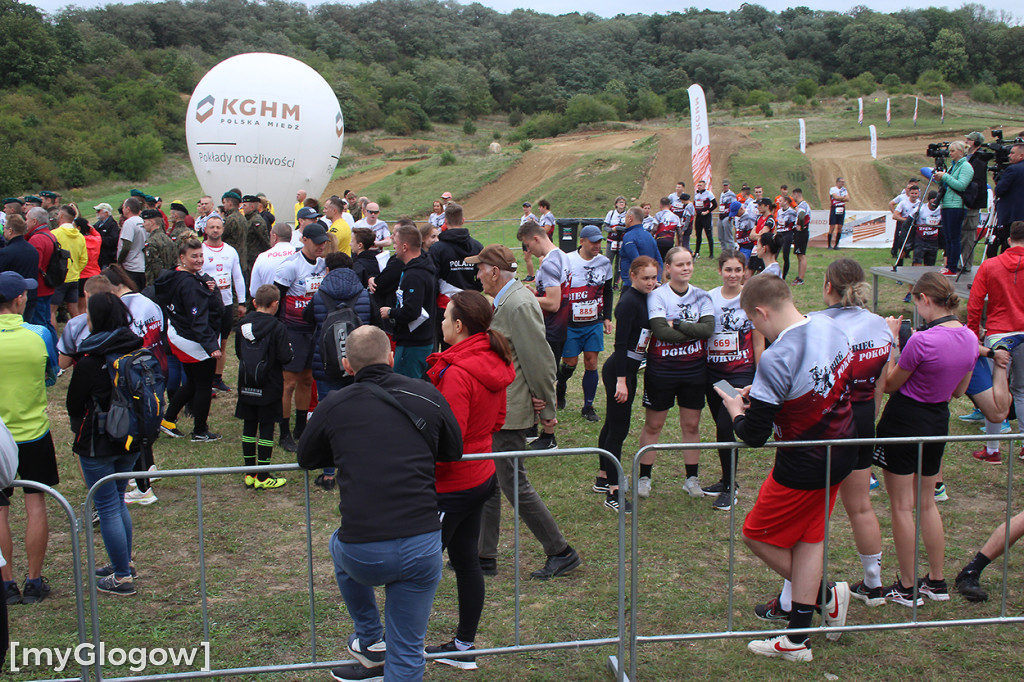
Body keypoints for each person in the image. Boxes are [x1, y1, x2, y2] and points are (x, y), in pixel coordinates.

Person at [297, 325, 462, 682]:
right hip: (422, 544)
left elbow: (305, 457)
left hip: (362, 551)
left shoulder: (334, 404)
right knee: (407, 651)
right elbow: (453, 449)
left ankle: (370, 636)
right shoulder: (426, 393)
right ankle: (374, 641)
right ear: (391, 357)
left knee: (336, 544)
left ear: (346, 365)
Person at [717, 274, 855, 662]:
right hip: (842, 448)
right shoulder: (829, 324)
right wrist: (761, 399)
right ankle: (798, 638)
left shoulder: (778, 356)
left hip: (803, 464)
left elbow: (754, 435)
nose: (754, 328)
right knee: (809, 539)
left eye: (752, 321)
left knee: (756, 535)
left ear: (761, 312)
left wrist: (736, 410)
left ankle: (824, 594)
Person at [470, 245, 581, 580]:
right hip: (503, 407)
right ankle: (484, 554)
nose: (477, 275)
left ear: (493, 271)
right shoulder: (506, 300)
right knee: (490, 480)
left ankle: (560, 551)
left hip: (512, 411)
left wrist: (547, 408)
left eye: (480, 269)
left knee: (513, 484)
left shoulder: (517, 302)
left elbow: (540, 359)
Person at [424, 290, 515, 670]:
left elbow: (450, 439)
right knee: (466, 561)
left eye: (445, 318)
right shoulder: (491, 359)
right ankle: (463, 648)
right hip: (481, 473)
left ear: (459, 326)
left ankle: (394, 651)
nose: (441, 323)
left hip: (454, 484)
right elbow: (497, 420)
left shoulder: (458, 372)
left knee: (419, 568)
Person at [873, 272, 978, 605]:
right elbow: (960, 390)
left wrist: (892, 341)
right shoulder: (970, 337)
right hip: (937, 420)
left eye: (915, 301)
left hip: (905, 421)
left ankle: (906, 587)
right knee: (927, 502)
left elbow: (889, 383)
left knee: (902, 506)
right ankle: (936, 580)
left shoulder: (922, 340)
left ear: (925, 300)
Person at [65, 293, 144, 595]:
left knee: (108, 504)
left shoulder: (90, 360)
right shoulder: (137, 350)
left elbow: (74, 403)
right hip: (131, 439)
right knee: (118, 500)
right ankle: (122, 561)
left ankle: (122, 577)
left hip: (98, 441)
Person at [0, 271, 58, 606]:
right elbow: (50, 375)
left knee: (0, 511)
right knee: (35, 504)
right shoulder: (38, 333)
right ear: (19, 300)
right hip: (33, 432)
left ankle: (7, 584)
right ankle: (34, 581)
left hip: (0, 435)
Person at [637, 247, 714, 498]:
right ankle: (644, 478)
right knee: (654, 424)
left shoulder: (703, 296)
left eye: (689, 263)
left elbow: (708, 330)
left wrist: (679, 323)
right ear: (667, 268)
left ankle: (692, 478)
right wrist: (692, 329)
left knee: (691, 425)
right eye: (679, 264)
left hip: (694, 370)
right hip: (662, 370)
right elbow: (660, 331)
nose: (686, 268)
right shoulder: (657, 296)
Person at [701, 250, 763, 512]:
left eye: (738, 270)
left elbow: (759, 339)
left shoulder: (750, 298)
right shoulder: (710, 298)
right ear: (720, 271)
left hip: (738, 373)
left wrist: (761, 374)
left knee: (727, 425)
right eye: (728, 269)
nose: (733, 275)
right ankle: (726, 479)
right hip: (712, 372)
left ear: (745, 271)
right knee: (720, 425)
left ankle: (730, 487)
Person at [595, 256, 659, 512]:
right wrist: (622, 380)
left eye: (654, 277)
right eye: (646, 278)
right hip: (619, 371)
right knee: (619, 429)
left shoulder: (646, 298)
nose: (651, 283)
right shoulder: (629, 302)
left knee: (612, 424)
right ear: (632, 275)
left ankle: (603, 476)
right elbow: (620, 344)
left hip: (629, 370)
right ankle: (614, 491)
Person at [307, 251, 371, 491]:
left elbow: (307, 319)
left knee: (328, 415)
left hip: (325, 365)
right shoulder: (364, 294)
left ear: (327, 271)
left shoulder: (320, 295)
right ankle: (357, 467)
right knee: (358, 416)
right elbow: (375, 322)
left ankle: (328, 473)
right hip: (357, 364)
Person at [155, 238, 224, 443]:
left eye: (201, 255)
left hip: (178, 335)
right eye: (194, 256)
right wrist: (212, 347)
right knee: (203, 385)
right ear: (182, 258)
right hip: (193, 340)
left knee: (193, 382)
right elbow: (198, 320)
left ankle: (167, 420)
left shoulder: (173, 276)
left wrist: (207, 291)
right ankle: (200, 431)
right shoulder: (190, 285)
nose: (199, 260)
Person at [966, 220, 1024, 462]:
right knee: (1022, 391)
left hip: (999, 336)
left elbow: (975, 302)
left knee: (994, 393)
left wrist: (971, 335)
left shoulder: (990, 265)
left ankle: (992, 450)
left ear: (1009, 240)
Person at [273, 223, 329, 452]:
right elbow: (277, 301)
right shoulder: (289, 267)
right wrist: (278, 332)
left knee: (307, 379)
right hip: (292, 330)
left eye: (324, 242)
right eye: (317, 242)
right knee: (289, 383)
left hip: (313, 330)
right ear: (304, 240)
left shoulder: (323, 264)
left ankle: (301, 428)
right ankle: (284, 432)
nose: (321, 246)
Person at [235, 285, 293, 490]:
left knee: (249, 425)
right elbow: (285, 357)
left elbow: (238, 352)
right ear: (275, 304)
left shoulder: (242, 324)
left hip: (247, 381)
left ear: (254, 303)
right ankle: (263, 474)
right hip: (269, 383)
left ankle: (248, 473)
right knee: (267, 427)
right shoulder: (278, 327)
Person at [518, 220, 568, 450]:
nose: (528, 250)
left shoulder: (548, 263)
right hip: (558, 328)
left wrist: (527, 298)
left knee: (543, 379)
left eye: (527, 245)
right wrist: (536, 292)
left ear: (536, 238)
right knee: (540, 378)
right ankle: (534, 427)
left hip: (550, 329)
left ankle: (548, 435)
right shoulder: (561, 255)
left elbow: (553, 302)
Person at [555, 225, 613, 421]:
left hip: (593, 321)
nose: (597, 245)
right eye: (593, 241)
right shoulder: (568, 260)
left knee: (592, 362)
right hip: (571, 322)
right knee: (570, 364)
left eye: (599, 241)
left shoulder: (605, 262)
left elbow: (607, 290)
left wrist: (606, 317)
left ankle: (588, 406)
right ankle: (561, 386)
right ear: (582, 241)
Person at [380, 223, 437, 380]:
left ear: (405, 247)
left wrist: (390, 312)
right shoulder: (422, 267)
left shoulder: (415, 275)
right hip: (421, 339)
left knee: (405, 388)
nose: (394, 247)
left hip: (413, 343)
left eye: (396, 244)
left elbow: (412, 311)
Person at [199, 214, 246, 394]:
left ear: (223, 229)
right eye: (212, 227)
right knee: (208, 343)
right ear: (206, 230)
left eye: (218, 227)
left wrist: (241, 302)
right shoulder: (201, 250)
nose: (215, 230)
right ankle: (205, 379)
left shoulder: (230, 251)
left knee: (223, 343)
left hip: (226, 303)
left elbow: (238, 277)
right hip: (207, 305)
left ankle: (217, 379)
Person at [932, 140, 974, 275]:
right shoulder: (953, 167)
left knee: (954, 237)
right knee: (948, 237)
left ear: (961, 152)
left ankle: (952, 267)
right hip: (947, 204)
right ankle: (949, 265)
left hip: (957, 205)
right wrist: (940, 180)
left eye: (953, 151)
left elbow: (961, 185)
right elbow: (947, 185)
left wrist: (945, 176)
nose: (950, 154)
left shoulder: (966, 167)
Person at [50, 205, 87, 327]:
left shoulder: (54, 234)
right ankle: (80, 337)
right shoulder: (80, 236)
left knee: (51, 312)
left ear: (60, 216)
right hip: (74, 278)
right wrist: (75, 270)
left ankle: (54, 342)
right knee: (74, 312)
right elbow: (84, 259)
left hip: (59, 278)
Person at [961, 132, 989, 272]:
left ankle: (965, 263)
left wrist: (968, 198)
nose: (966, 142)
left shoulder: (979, 159)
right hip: (963, 201)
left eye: (969, 140)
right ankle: (959, 261)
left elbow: (976, 183)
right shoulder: (967, 157)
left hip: (971, 202)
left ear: (976, 143)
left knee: (968, 234)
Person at [992, 142, 1024, 258]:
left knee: (1010, 245)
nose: (1009, 156)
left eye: (1012, 153)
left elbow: (1000, 190)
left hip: (1012, 216)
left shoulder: (1013, 169)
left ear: (1021, 155)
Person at [249, 222, 298, 297]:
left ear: (275, 237)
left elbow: (254, 291)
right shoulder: (299, 255)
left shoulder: (262, 257)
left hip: (270, 303)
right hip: (295, 304)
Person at [619, 206, 663, 287]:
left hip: (633, 284)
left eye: (626, 217)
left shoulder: (629, 236)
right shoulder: (649, 236)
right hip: (649, 283)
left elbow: (637, 261)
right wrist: (657, 279)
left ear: (630, 218)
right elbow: (659, 260)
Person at [117, 198, 147, 291]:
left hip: (131, 266)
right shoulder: (142, 221)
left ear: (128, 209)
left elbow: (126, 246)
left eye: (123, 208)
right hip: (142, 264)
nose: (122, 210)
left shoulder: (129, 223)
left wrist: (119, 262)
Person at [141, 208, 177, 286]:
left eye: (144, 222)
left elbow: (154, 267)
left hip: (157, 284)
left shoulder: (151, 242)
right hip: (171, 281)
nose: (143, 225)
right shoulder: (168, 239)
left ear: (151, 222)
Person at [75, 217, 102, 317]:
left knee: (81, 307)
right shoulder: (96, 240)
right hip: (95, 274)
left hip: (82, 275)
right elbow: (98, 235)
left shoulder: (78, 241)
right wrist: (92, 229)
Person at [602, 196, 628, 285]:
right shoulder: (611, 213)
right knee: (608, 261)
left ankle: (616, 283)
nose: (621, 204)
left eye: (623, 202)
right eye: (619, 202)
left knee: (619, 263)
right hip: (611, 240)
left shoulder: (627, 214)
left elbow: (629, 227)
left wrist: (623, 229)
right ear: (616, 204)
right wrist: (613, 229)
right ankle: (606, 281)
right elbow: (605, 227)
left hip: (622, 241)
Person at [692, 180, 718, 259]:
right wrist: (695, 211)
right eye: (698, 185)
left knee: (709, 234)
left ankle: (711, 254)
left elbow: (715, 204)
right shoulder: (696, 194)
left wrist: (707, 211)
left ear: (704, 186)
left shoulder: (709, 194)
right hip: (698, 216)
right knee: (698, 235)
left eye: (701, 185)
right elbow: (694, 203)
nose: (699, 186)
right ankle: (697, 252)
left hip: (706, 217)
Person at [790, 188, 811, 285]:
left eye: (793, 195)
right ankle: (799, 276)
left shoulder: (802, 205)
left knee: (801, 255)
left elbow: (802, 215)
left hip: (802, 232)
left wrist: (801, 226)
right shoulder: (802, 205)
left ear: (796, 194)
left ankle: (801, 279)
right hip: (802, 232)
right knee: (799, 255)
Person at [653, 197, 681, 262]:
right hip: (669, 241)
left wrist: (650, 238)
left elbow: (654, 229)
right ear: (670, 205)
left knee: (659, 260)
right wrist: (680, 244)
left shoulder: (658, 215)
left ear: (660, 205)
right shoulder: (675, 217)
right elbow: (679, 232)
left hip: (659, 241)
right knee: (668, 260)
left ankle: (660, 271)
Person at [92, 203, 120, 269]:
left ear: (106, 213)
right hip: (100, 258)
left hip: (108, 259)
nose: (97, 213)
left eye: (99, 211)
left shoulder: (113, 225)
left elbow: (113, 240)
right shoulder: (98, 224)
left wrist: (98, 239)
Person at [774, 195, 796, 279]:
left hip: (787, 233)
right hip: (780, 233)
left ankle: (784, 276)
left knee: (785, 256)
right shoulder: (779, 211)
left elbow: (794, 224)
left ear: (786, 201)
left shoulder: (792, 212)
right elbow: (779, 222)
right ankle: (775, 274)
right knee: (774, 254)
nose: (779, 202)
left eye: (781, 201)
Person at [827, 177, 849, 250]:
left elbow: (847, 199)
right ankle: (829, 245)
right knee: (832, 227)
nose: (842, 183)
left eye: (843, 182)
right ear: (837, 182)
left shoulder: (844, 190)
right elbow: (835, 197)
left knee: (840, 227)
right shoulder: (833, 189)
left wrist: (841, 198)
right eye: (841, 182)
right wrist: (843, 198)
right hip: (834, 208)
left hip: (842, 209)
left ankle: (836, 245)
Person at [520, 202, 538, 281]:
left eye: (527, 207)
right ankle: (529, 274)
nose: (525, 208)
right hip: (524, 238)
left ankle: (531, 275)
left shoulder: (532, 216)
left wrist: (533, 222)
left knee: (527, 257)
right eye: (524, 207)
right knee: (526, 258)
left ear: (530, 208)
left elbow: (538, 225)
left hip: (529, 238)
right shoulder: (523, 217)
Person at [717, 180, 737, 251]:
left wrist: (731, 217)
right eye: (724, 185)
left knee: (728, 237)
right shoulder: (722, 194)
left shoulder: (732, 194)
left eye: (726, 185)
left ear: (729, 185)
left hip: (728, 216)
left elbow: (734, 206)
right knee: (721, 237)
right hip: (721, 215)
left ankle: (732, 252)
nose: (725, 186)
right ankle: (724, 252)